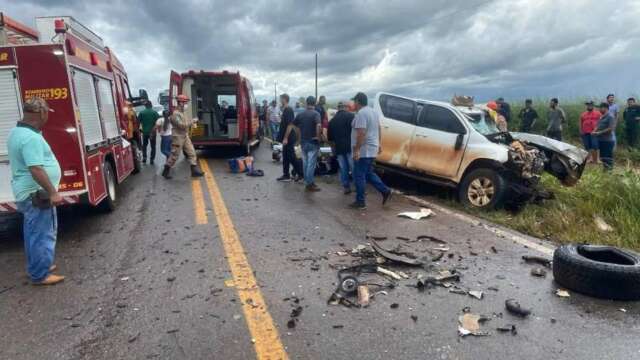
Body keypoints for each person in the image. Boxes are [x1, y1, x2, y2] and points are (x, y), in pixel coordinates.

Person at [8, 97, 64, 285]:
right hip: (36, 194)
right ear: (41, 113)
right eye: (47, 112)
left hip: (29, 194)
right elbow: (36, 168)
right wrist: (53, 192)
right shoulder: (30, 138)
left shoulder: (17, 132)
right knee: (42, 234)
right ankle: (40, 275)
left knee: (33, 232)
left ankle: (39, 266)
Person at [350, 92, 392, 210]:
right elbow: (378, 128)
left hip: (364, 150)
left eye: (354, 101)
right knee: (368, 173)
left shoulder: (362, 114)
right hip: (372, 148)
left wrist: (357, 150)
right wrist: (379, 144)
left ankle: (360, 201)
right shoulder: (373, 112)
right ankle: (385, 190)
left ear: (358, 101)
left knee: (359, 175)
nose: (354, 103)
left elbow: (361, 133)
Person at [284, 96, 322, 192]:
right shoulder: (316, 114)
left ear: (306, 103)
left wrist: (298, 137)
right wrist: (318, 136)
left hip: (303, 142)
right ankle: (309, 183)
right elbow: (318, 125)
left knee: (305, 163)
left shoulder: (301, 114)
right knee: (311, 164)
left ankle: (307, 181)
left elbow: (293, 125)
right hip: (313, 142)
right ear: (314, 103)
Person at [162, 95, 205, 179]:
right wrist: (192, 121)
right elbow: (182, 125)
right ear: (180, 103)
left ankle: (194, 171)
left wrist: (192, 122)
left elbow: (185, 124)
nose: (186, 104)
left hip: (185, 136)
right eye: (185, 102)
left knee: (192, 153)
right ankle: (165, 171)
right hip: (178, 137)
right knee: (174, 156)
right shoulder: (175, 114)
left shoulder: (182, 113)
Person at [328, 101, 355, 194]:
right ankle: (358, 187)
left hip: (339, 148)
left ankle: (346, 187)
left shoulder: (332, 121)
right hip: (350, 147)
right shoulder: (351, 116)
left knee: (343, 168)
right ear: (345, 107)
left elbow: (330, 139)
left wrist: (333, 149)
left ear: (338, 108)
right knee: (354, 167)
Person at [276, 94, 303, 182]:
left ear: (284, 99)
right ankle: (286, 175)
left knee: (292, 157)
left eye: (281, 99)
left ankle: (301, 174)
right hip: (286, 138)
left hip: (289, 138)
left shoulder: (288, 110)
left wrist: (286, 138)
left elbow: (290, 125)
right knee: (286, 157)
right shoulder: (285, 110)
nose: (280, 101)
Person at [592, 102, 617, 171]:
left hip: (608, 140)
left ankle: (609, 171)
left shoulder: (610, 117)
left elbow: (610, 128)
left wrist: (599, 133)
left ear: (605, 108)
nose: (599, 109)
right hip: (601, 140)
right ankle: (605, 170)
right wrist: (594, 131)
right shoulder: (601, 117)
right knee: (603, 157)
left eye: (601, 108)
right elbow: (598, 126)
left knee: (607, 157)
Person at [138, 101, 159, 165]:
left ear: (145, 106)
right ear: (151, 105)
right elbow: (158, 123)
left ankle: (144, 157)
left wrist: (140, 130)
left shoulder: (141, 113)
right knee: (153, 146)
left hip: (145, 133)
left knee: (144, 145)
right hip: (153, 133)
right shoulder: (155, 113)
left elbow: (138, 122)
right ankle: (151, 160)